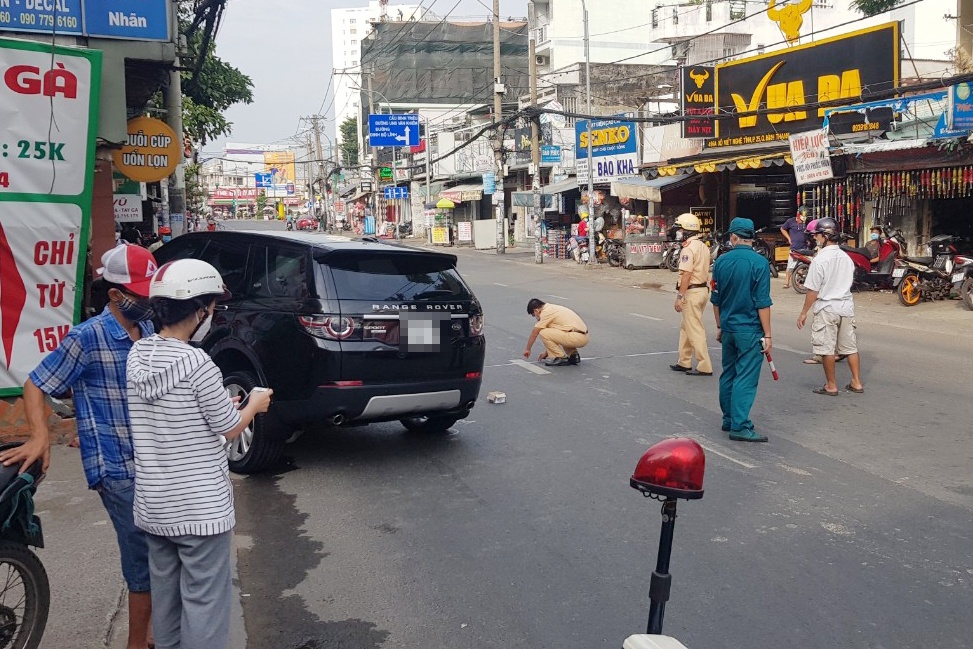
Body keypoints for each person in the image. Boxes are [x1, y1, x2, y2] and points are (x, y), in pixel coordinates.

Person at [0, 244, 159, 649]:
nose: (148, 301)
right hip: (116, 467)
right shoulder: (87, 337)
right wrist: (39, 435)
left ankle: (156, 633)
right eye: (140, 295)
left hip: (154, 462)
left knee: (162, 555)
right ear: (115, 295)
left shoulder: (151, 328)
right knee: (142, 563)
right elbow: (37, 382)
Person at [127, 259, 273, 649]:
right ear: (198, 309)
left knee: (168, 603)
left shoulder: (137, 356)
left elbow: (182, 414)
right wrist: (254, 404)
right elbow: (229, 427)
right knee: (205, 606)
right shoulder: (198, 364)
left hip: (155, 506)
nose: (212, 314)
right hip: (199, 510)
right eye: (211, 307)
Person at [710, 218, 773, 442]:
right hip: (750, 329)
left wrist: (720, 325)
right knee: (745, 378)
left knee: (729, 373)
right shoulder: (759, 263)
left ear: (734, 237)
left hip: (728, 328)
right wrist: (767, 334)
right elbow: (762, 302)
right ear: (751, 238)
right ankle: (740, 425)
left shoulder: (721, 262)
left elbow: (715, 299)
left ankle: (728, 418)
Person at [797, 217, 865, 395]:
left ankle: (831, 385)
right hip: (846, 307)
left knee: (827, 348)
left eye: (818, 235)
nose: (815, 239)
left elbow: (812, 291)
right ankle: (856, 382)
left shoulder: (820, 260)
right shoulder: (846, 258)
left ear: (825, 236)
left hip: (827, 308)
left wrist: (804, 312)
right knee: (850, 347)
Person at [669, 213, 714, 376]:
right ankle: (684, 361)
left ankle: (704, 365)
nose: (678, 232)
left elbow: (686, 275)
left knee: (695, 329)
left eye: (680, 229)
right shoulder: (702, 246)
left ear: (687, 231)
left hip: (692, 291)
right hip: (702, 290)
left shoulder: (688, 248)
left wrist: (679, 297)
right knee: (686, 327)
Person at [523, 298, 589, 367]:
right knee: (561, 332)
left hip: (576, 337)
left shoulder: (545, 312)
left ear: (536, 311)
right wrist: (548, 352)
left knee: (543, 332)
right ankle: (573, 355)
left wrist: (528, 349)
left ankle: (560, 357)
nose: (535, 317)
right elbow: (555, 336)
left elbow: (535, 333)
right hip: (583, 336)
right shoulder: (552, 308)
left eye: (534, 315)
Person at [780, 206, 810, 289]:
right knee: (790, 266)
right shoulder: (791, 221)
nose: (804, 218)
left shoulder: (807, 222)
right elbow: (782, 229)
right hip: (794, 248)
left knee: (801, 267)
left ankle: (798, 282)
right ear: (798, 214)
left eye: (805, 216)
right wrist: (789, 238)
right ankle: (786, 282)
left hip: (804, 248)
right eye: (803, 216)